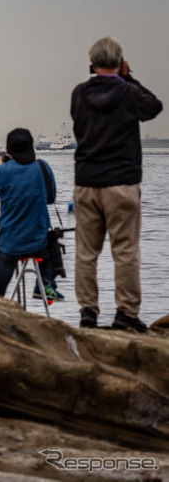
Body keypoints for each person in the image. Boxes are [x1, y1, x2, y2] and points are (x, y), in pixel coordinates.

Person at [72, 37, 163, 332]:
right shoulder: (128, 94)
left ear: (92, 63)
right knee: (125, 252)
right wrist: (129, 77)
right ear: (120, 62)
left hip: (87, 181)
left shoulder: (79, 94)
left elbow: (78, 121)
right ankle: (126, 314)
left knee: (86, 253)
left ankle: (87, 312)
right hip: (122, 182)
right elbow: (155, 107)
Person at [0, 129, 59, 298]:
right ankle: (45, 285)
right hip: (39, 244)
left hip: (10, 245)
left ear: (8, 150)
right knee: (49, 244)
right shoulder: (42, 167)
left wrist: (2, 167)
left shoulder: (1, 172)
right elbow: (51, 198)